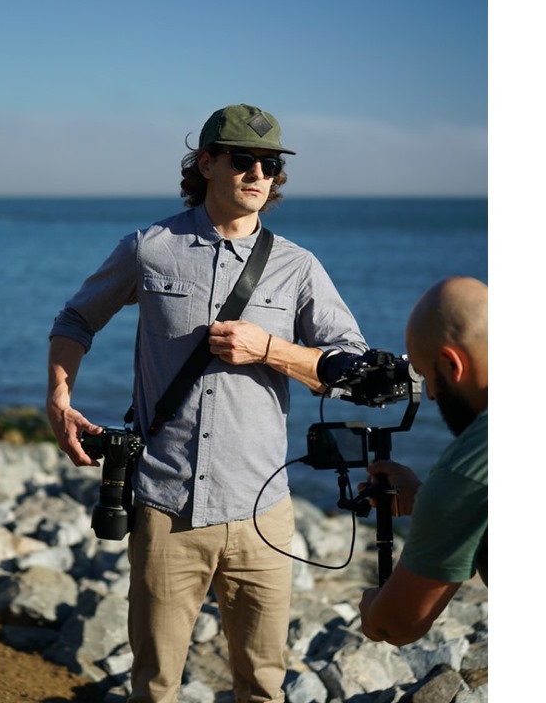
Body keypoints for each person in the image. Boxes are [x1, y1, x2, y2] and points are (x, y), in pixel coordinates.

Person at [46, 103, 368, 702]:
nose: (258, 174)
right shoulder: (149, 248)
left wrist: (270, 348)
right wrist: (59, 398)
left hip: (262, 513)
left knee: (263, 686)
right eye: (243, 159)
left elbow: (350, 365)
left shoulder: (299, 267)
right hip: (165, 506)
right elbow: (76, 319)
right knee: (155, 686)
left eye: (270, 164)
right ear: (206, 164)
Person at [358, 276, 487, 647]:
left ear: (451, 363)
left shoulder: (467, 468)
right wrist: (425, 499)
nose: (430, 394)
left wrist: (372, 606)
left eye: (429, 377)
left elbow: (396, 624)